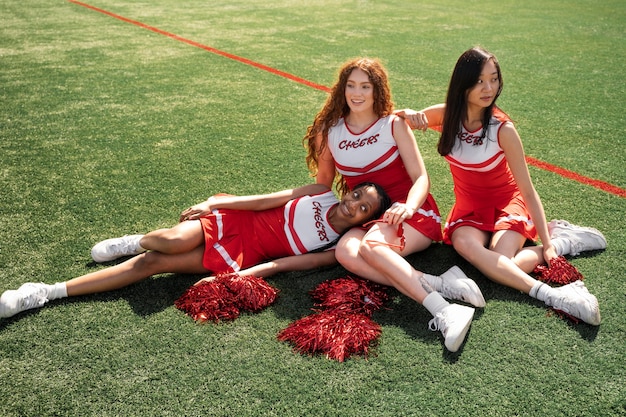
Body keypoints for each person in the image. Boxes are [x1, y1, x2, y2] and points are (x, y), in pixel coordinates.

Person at [397, 46, 606, 325]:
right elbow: (398, 121)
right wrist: (408, 112)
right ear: (463, 83)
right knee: (466, 247)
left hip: (507, 202)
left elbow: (528, 190)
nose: (489, 88)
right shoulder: (446, 115)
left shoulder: (502, 129)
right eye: (480, 80)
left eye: (494, 79)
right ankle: (556, 274)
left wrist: (546, 244)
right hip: (468, 210)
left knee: (502, 262)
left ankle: (560, 245)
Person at [303, 57, 486, 352]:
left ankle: (444, 310)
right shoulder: (331, 130)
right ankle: (440, 283)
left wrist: (409, 207)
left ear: (377, 91)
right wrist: (281, 203)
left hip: (411, 211)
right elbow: (323, 184)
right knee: (345, 252)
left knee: (371, 246)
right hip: (368, 215)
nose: (357, 93)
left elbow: (421, 178)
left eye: (365, 86)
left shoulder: (394, 124)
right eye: (351, 86)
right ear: (342, 89)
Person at [0, 182, 391, 319]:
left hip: (245, 254)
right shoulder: (319, 192)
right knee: (166, 241)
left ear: (364, 220)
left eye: (363, 208)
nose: (353, 204)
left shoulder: (335, 244)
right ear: (348, 190)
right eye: (357, 194)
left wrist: (247, 275)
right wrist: (215, 204)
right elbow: (264, 200)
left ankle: (44, 292)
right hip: (239, 221)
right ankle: (134, 239)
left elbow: (286, 263)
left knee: (153, 264)